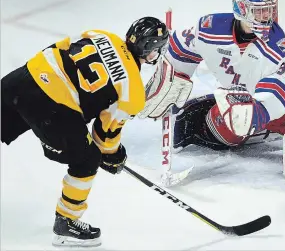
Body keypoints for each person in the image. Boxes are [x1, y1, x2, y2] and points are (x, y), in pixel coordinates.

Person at [1, 16, 169, 247]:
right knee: (88, 159)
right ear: (149, 49)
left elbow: (59, 47)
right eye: (156, 50)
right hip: (50, 105)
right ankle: (67, 222)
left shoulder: (101, 34)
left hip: (23, 78)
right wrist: (114, 156)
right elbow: (105, 136)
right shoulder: (133, 91)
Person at [138, 0, 285, 151]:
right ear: (242, 9)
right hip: (245, 95)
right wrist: (172, 79)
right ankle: (217, 122)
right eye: (259, 11)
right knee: (221, 126)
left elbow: (279, 90)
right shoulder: (210, 29)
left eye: (269, 10)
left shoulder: (277, 44)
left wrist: (258, 114)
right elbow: (181, 46)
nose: (266, 16)